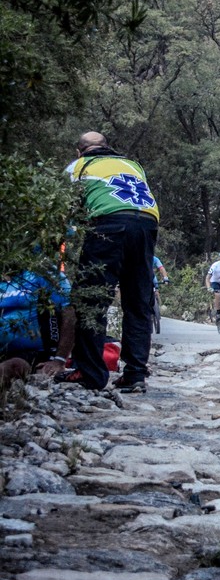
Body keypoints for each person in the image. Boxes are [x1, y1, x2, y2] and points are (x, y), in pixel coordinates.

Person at [65, 131, 159, 392]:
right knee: (138, 301)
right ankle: (135, 374)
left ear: (79, 151)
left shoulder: (79, 166)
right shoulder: (133, 165)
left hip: (109, 223)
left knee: (91, 298)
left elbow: (66, 209)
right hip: (147, 224)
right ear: (107, 147)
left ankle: (90, 373)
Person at [0, 270, 75, 385]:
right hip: (3, 351)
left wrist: (59, 360)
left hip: (34, 354)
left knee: (14, 366)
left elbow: (70, 314)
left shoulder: (45, 273)